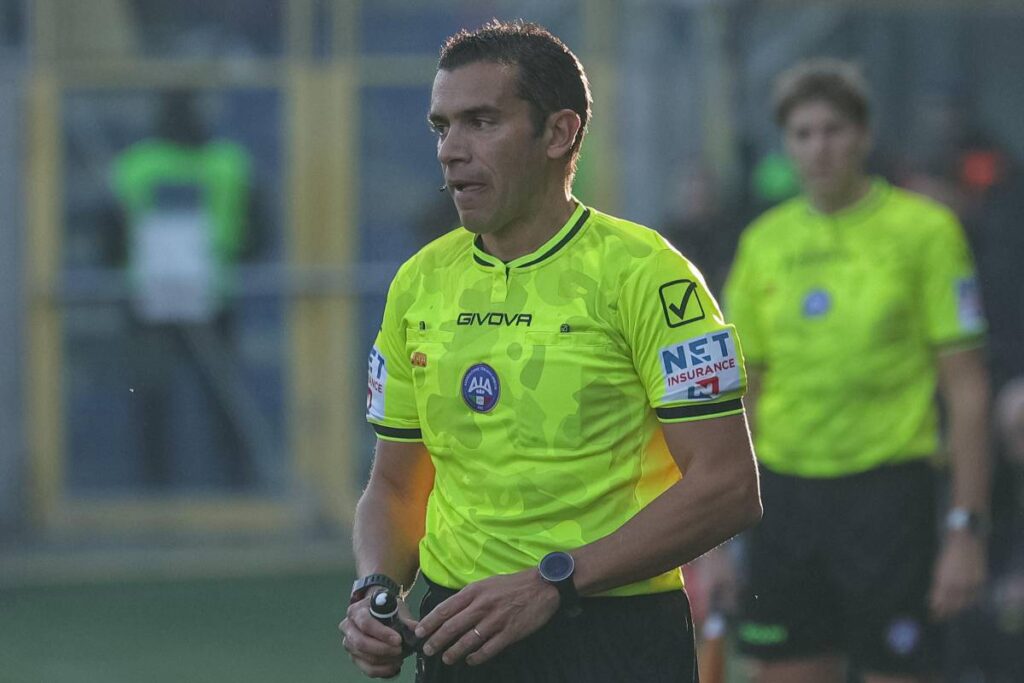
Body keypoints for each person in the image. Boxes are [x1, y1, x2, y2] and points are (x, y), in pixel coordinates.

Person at [339, 20, 762, 683]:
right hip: (459, 630)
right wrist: (374, 590)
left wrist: (552, 581)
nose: (451, 149)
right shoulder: (417, 283)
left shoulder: (648, 274)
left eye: (480, 121)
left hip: (613, 629)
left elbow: (730, 485)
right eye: (441, 126)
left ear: (559, 133)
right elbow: (395, 485)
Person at [720, 59, 992, 683]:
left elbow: (968, 391)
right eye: (803, 133)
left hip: (889, 495)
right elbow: (743, 396)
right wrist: (720, 542)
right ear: (787, 144)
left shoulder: (925, 231)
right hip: (783, 498)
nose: (819, 148)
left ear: (864, 135)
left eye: (834, 129)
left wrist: (966, 530)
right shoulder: (763, 241)